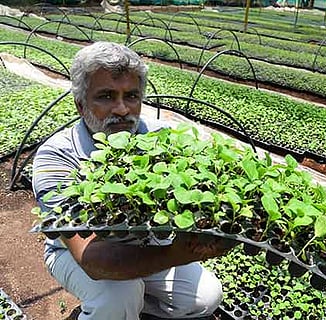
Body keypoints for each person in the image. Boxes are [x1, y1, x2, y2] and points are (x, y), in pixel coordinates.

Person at [32, 41, 234, 320]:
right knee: (119, 295)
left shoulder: (163, 138)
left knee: (206, 297)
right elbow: (89, 258)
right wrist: (180, 254)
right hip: (79, 255)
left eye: (132, 96)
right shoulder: (55, 157)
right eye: (105, 96)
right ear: (80, 105)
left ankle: (131, 308)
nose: (122, 109)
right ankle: (111, 309)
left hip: (147, 242)